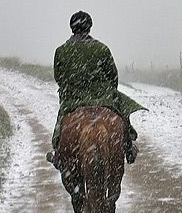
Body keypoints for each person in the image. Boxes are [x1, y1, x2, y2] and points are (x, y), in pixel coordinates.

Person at [47, 11, 144, 168]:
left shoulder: (61, 51)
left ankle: (58, 151)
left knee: (61, 122)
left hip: (73, 99)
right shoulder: (101, 48)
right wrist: (106, 91)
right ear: (89, 27)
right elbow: (113, 76)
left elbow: (59, 78)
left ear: (72, 28)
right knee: (122, 115)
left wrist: (72, 89)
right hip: (103, 96)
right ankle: (128, 148)